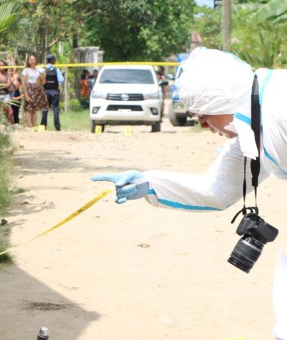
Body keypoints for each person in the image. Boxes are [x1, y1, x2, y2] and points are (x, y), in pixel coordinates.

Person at [90, 47, 287, 339]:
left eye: (205, 117)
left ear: (221, 101)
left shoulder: (279, 108)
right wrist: (149, 183)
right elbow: (217, 190)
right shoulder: (250, 123)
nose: (206, 127)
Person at [21, 54, 48, 128]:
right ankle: (29, 127)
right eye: (31, 60)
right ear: (28, 61)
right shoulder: (25, 70)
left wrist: (42, 76)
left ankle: (35, 126)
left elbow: (44, 82)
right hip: (29, 89)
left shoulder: (39, 69)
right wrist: (26, 95)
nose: (32, 61)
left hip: (37, 90)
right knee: (28, 109)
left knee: (34, 110)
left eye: (34, 59)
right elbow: (23, 84)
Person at [40, 53, 64, 131]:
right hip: (54, 92)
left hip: (45, 91)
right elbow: (61, 80)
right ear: (53, 60)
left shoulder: (43, 70)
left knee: (44, 109)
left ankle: (43, 126)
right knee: (55, 109)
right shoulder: (56, 70)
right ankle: (57, 127)